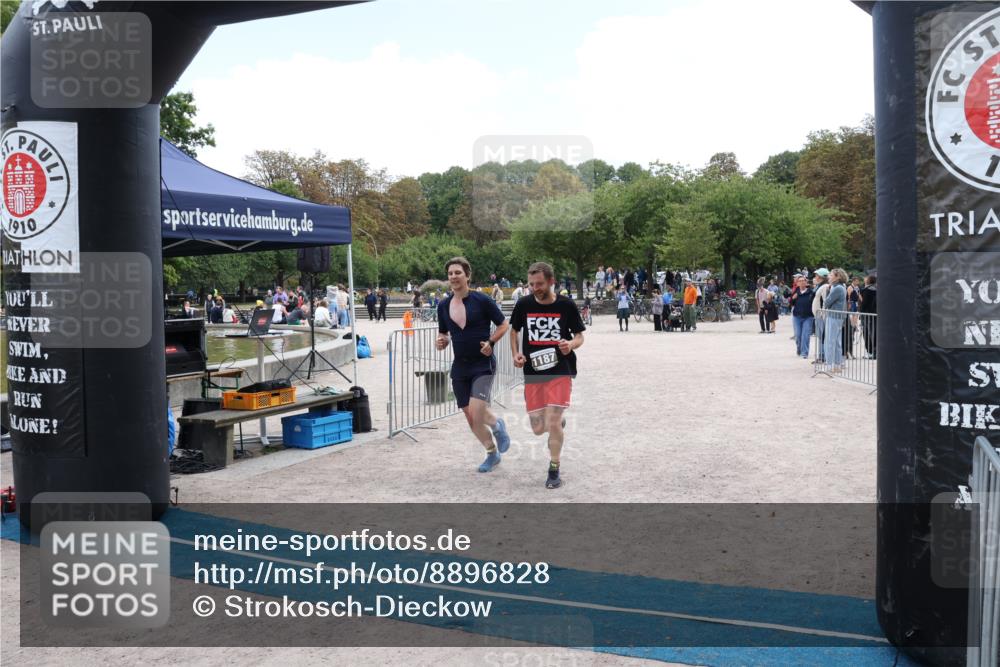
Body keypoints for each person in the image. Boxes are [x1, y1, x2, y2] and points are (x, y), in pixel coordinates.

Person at [509, 261, 585, 490]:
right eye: (531, 284)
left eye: (540, 283)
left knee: (551, 420)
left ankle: (554, 468)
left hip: (560, 370)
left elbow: (580, 336)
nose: (535, 288)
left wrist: (570, 344)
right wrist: (516, 354)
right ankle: (557, 422)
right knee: (537, 428)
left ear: (551, 281)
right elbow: (514, 331)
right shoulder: (523, 304)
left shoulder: (566, 305)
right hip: (533, 372)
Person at [435, 257, 511, 472]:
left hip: (482, 363)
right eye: (450, 273)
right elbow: (443, 334)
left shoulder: (482, 300)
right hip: (460, 366)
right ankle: (491, 453)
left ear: (467, 275)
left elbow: (503, 324)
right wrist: (441, 342)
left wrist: (491, 342)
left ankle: (498, 425)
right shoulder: (443, 305)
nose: (453, 276)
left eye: (458, 272)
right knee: (471, 418)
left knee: (478, 412)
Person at [823, 268, 849, 372]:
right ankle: (837, 365)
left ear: (837, 276)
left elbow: (827, 302)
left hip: (833, 316)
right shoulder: (841, 287)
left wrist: (828, 291)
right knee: (837, 342)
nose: (829, 276)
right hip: (838, 317)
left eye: (831, 275)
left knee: (830, 341)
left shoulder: (837, 288)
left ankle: (829, 365)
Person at [790, 275, 815, 359]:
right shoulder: (796, 292)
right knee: (798, 335)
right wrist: (793, 298)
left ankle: (804, 353)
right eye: (799, 281)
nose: (801, 282)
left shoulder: (811, 292)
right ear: (797, 283)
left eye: (803, 280)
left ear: (806, 282)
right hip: (797, 316)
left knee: (805, 335)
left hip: (808, 317)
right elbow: (791, 303)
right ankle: (799, 348)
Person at [812, 269, 831, 364]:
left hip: (821, 315)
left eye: (817, 276)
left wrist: (823, 315)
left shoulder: (825, 286)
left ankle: (823, 356)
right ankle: (821, 355)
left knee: (822, 336)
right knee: (820, 336)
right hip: (818, 315)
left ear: (822, 277)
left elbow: (825, 301)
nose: (816, 277)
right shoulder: (820, 286)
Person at [859, 274, 877, 359]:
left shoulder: (866, 290)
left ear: (869, 280)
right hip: (874, 314)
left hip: (866, 315)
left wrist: (860, 309)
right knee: (874, 333)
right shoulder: (877, 289)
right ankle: (875, 351)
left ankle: (870, 352)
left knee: (867, 333)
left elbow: (864, 304)